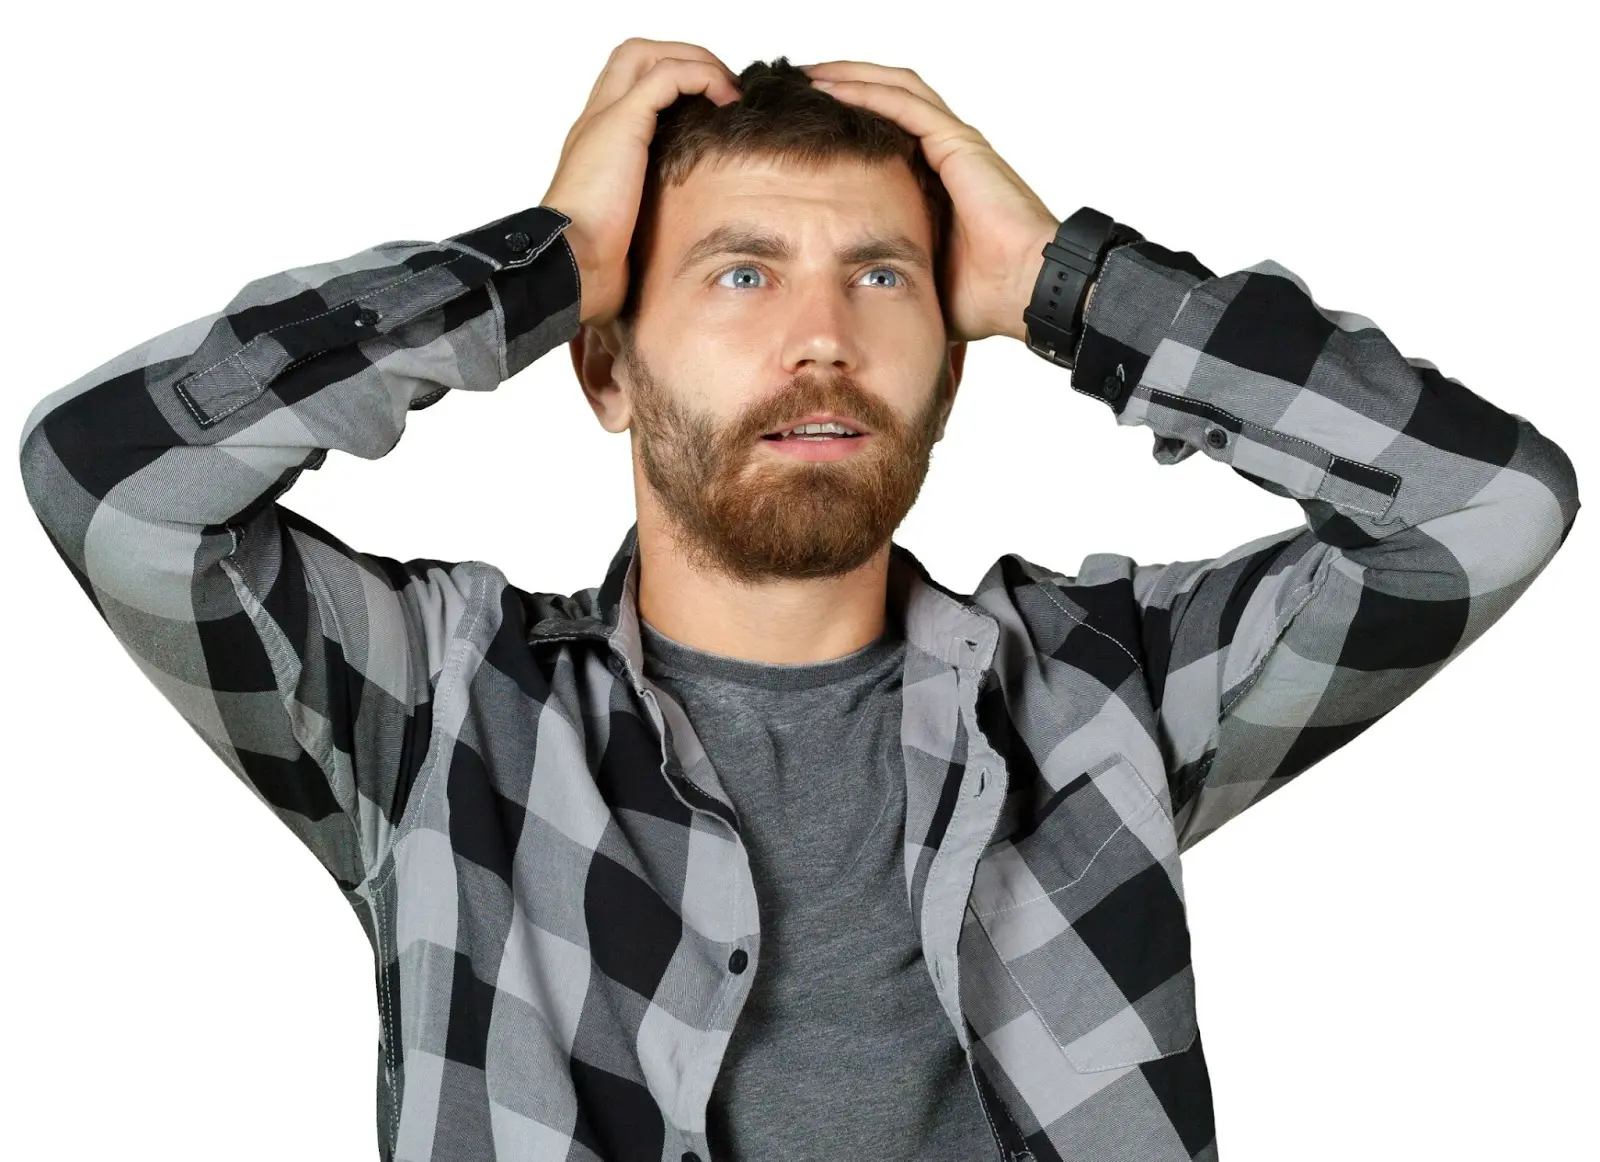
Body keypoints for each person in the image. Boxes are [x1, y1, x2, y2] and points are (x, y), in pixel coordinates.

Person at [16, 37, 1580, 1162]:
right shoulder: (437, 708)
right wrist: (539, 264)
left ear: (951, 373)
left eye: (882, 276)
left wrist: (1076, 288)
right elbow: (113, 476)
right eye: (743, 274)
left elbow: (1486, 505)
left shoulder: (1109, 692)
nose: (823, 336)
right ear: (606, 368)